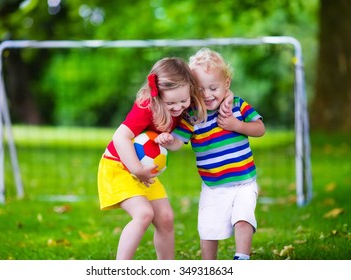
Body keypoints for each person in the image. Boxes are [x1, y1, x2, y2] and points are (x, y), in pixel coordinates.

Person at [97, 57, 233, 260]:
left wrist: (229, 96)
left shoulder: (187, 102)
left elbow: (216, 89)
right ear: (157, 95)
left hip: (143, 169)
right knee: (144, 214)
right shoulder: (146, 107)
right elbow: (120, 137)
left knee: (166, 218)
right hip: (120, 166)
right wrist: (136, 169)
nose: (178, 107)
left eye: (183, 101)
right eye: (170, 103)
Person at [155, 48, 265, 260]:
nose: (206, 94)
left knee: (243, 218)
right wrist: (168, 140)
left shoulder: (237, 106)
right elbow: (179, 142)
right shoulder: (193, 116)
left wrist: (236, 125)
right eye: (200, 89)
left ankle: (242, 258)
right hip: (213, 185)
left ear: (227, 84)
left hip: (244, 181)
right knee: (208, 228)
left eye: (213, 87)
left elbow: (259, 129)